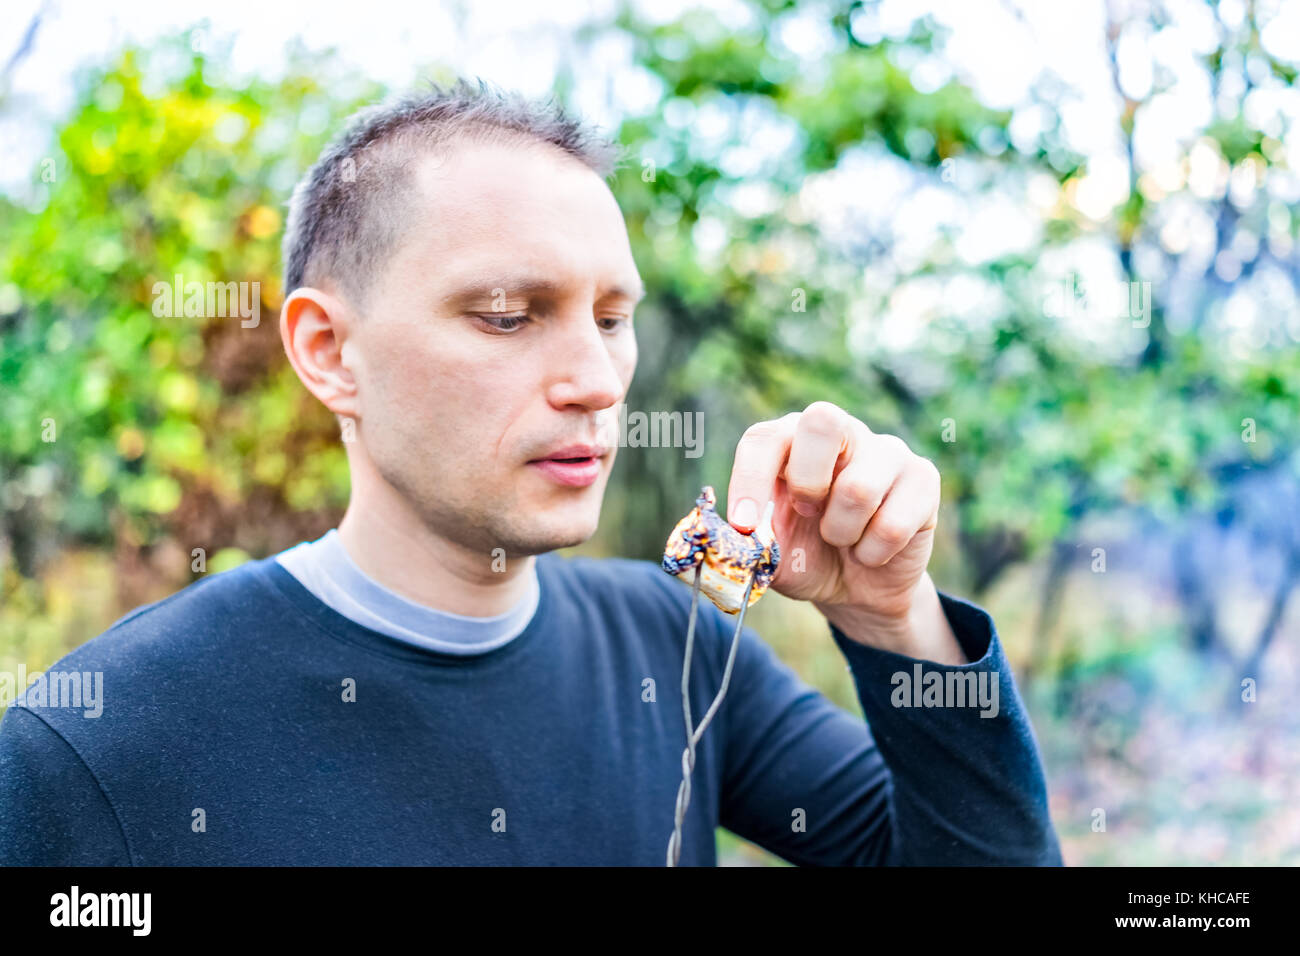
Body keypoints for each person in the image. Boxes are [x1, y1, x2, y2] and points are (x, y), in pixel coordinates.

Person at [0, 78, 1062, 866]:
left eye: (613, 319)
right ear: (329, 351)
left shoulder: (675, 643)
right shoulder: (92, 747)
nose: (598, 380)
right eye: (509, 314)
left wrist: (893, 617)